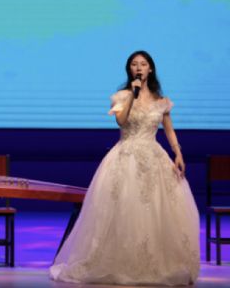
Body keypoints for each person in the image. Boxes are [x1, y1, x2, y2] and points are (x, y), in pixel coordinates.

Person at [50, 50, 200, 286]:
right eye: (134, 64)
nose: (139, 67)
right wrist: (133, 95)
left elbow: (169, 129)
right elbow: (121, 121)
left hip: (154, 158)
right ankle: (119, 263)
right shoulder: (121, 96)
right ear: (129, 69)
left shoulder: (161, 101)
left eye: (143, 64)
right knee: (124, 210)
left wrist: (178, 152)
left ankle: (154, 264)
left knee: (156, 211)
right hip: (125, 157)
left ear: (150, 68)